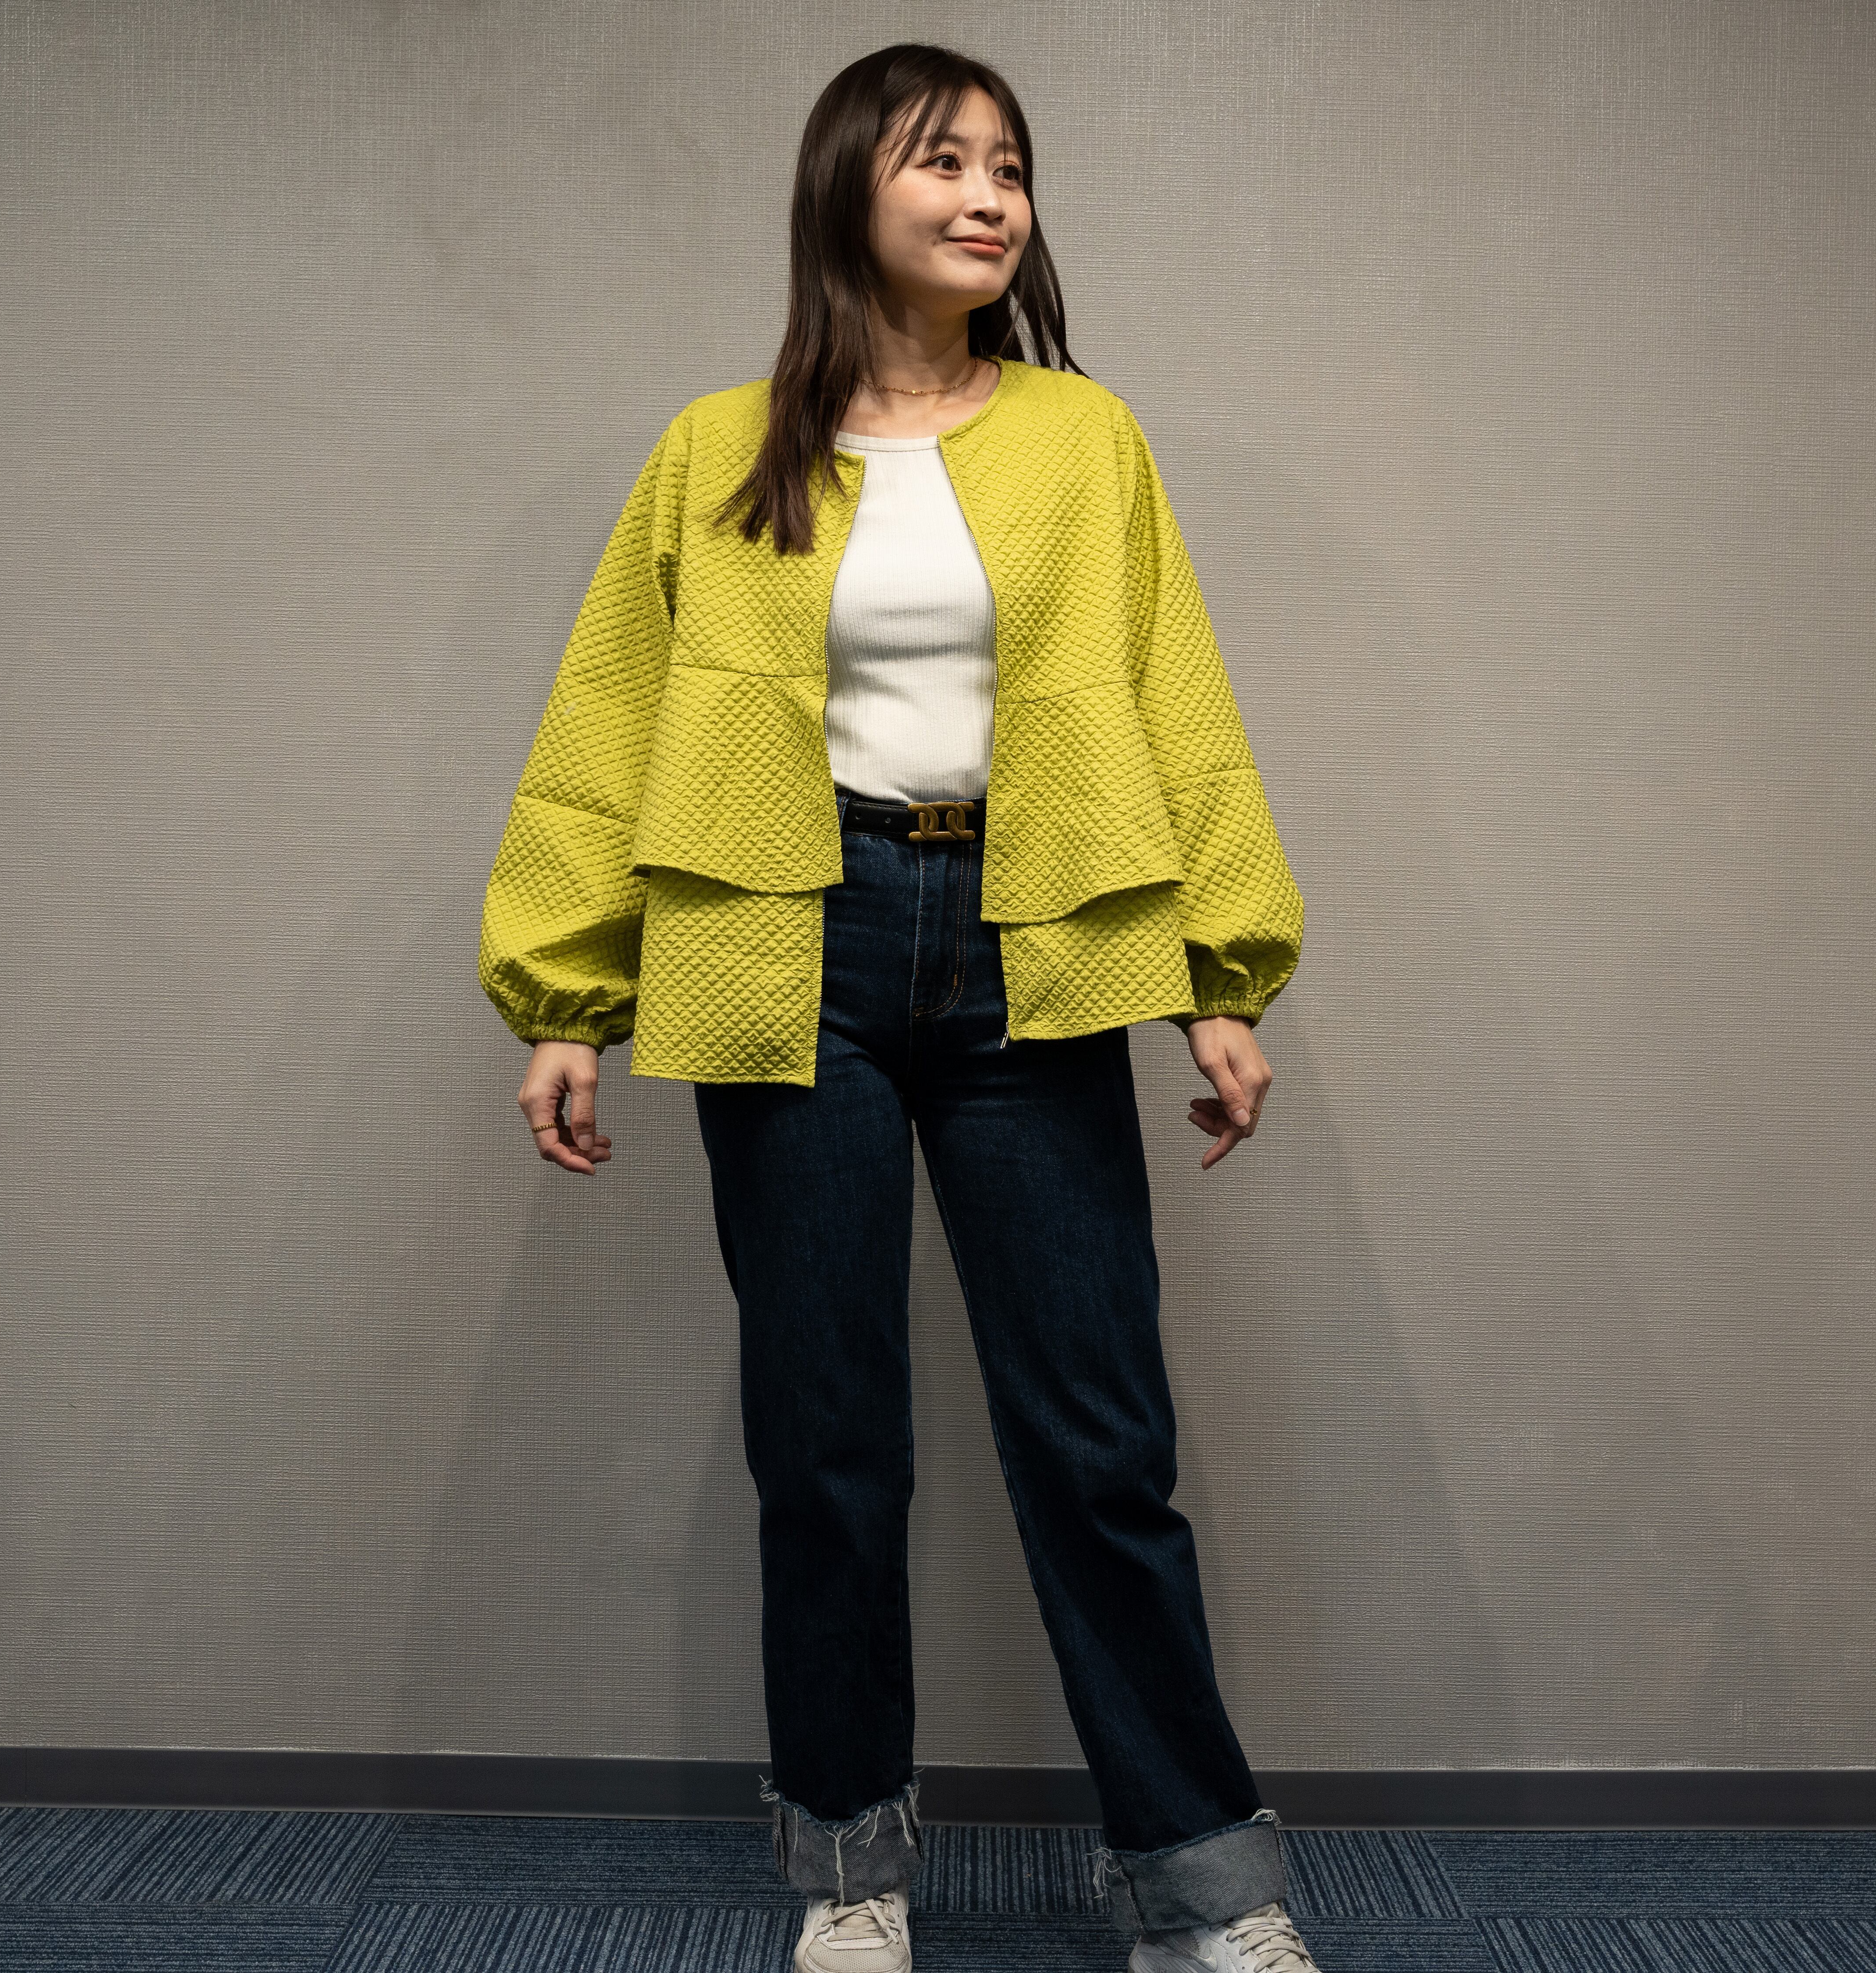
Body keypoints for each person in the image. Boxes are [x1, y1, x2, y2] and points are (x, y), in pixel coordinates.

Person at [478, 41, 1316, 1973]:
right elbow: (608, 720)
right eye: (944, 160)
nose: (987, 196)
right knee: (828, 1439)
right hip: (791, 936)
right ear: (846, 187)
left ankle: (1204, 1895)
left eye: (1010, 166)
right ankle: (851, 1873)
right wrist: (567, 997)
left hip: (1036, 936)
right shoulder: (716, 448)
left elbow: (1173, 694)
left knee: (1099, 1444)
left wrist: (1217, 974)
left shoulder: (1085, 438)